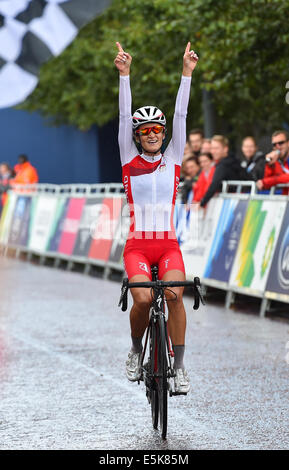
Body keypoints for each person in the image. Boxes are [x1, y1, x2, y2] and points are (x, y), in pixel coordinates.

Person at [114, 41, 199, 394]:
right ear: (136, 136)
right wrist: (124, 76)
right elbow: (123, 115)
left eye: (157, 130)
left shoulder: (174, 157)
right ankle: (136, 351)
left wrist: (186, 74)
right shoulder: (127, 159)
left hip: (167, 245)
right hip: (138, 246)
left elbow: (181, 115)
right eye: (145, 131)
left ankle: (178, 368)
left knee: (176, 297)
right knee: (144, 299)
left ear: (164, 134)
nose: (152, 135)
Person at [199, 135, 240, 208]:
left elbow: (214, 184)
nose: (213, 151)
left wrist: (202, 203)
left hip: (237, 204)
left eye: (216, 148)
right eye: (212, 148)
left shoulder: (223, 165)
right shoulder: (233, 160)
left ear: (225, 149)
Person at [256, 130, 289, 194]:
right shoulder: (276, 162)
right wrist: (269, 164)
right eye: (274, 144)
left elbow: (267, 181)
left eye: (281, 143)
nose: (278, 147)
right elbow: (266, 183)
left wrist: (266, 182)